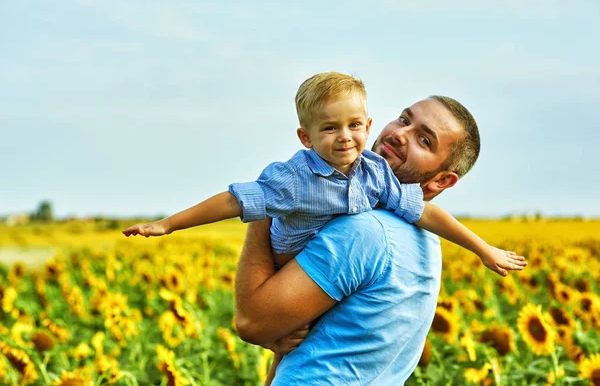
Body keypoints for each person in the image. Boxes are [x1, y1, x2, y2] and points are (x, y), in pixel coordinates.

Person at [233, 94, 525, 384]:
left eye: (424, 140)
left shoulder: (365, 231)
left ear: (441, 181)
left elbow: (252, 323)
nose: (400, 134)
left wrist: (268, 203)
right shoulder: (426, 240)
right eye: (404, 119)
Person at [122, 72, 524, 278]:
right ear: (306, 137)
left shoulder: (376, 175)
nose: (344, 137)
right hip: (285, 272)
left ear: (366, 125)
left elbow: (425, 214)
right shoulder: (294, 179)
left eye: (353, 126)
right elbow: (233, 200)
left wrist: (482, 249)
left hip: (313, 283)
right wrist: (168, 224)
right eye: (329, 128)